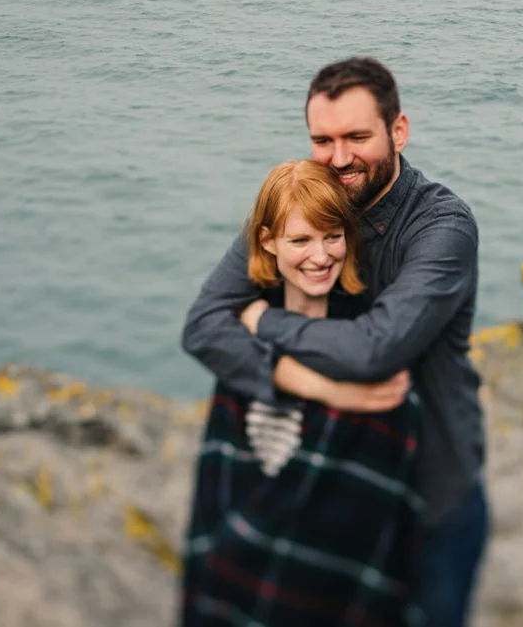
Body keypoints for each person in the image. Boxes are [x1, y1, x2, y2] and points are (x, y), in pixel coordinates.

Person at [183, 57, 487, 627]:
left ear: (399, 130)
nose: (340, 157)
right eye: (323, 139)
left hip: (429, 495)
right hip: (323, 487)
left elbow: (375, 350)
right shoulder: (302, 210)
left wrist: (261, 322)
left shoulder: (441, 228)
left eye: (357, 136)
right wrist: (303, 380)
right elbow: (203, 324)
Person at [181, 159, 424, 627]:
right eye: (300, 240)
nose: (320, 256)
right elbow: (218, 488)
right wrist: (325, 390)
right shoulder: (238, 343)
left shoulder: (374, 341)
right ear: (268, 241)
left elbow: (386, 498)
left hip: (339, 586)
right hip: (234, 580)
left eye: (333, 236)